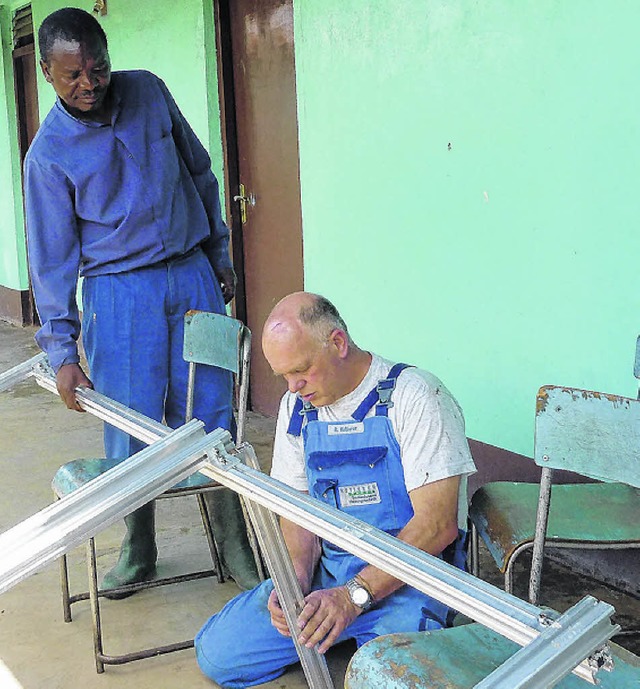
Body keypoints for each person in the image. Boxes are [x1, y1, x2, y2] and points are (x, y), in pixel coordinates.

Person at [24, 7, 259, 594]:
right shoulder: (47, 156)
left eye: (98, 67)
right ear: (49, 75)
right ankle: (140, 546)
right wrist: (62, 352)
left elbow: (200, 172)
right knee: (130, 424)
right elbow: (50, 261)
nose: (90, 84)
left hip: (192, 278)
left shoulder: (149, 90)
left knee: (213, 414)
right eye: (73, 75)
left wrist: (219, 253)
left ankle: (232, 540)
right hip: (118, 294)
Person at [194, 292, 477, 687]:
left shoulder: (415, 396)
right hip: (332, 572)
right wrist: (294, 578)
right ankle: (339, 632)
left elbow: (437, 525)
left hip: (411, 583)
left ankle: (360, 634)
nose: (293, 387)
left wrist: (352, 598)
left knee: (387, 679)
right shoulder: (298, 408)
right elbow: (297, 511)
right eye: (284, 376)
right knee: (218, 654)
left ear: (338, 343)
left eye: (301, 371)